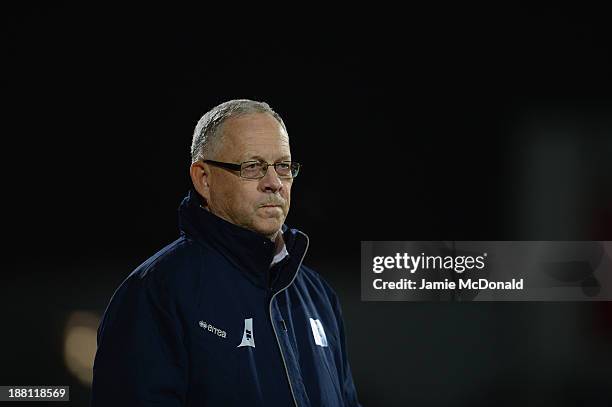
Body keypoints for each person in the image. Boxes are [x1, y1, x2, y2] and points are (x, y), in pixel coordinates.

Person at [91, 99, 362, 406]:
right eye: (253, 167)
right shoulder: (155, 292)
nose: (274, 183)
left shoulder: (318, 295)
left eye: (283, 166)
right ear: (203, 178)